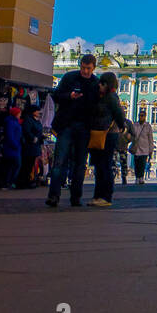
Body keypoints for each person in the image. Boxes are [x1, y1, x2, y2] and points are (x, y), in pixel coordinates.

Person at [46, 53, 100, 208]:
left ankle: (76, 197)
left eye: (88, 69)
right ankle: (54, 196)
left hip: (85, 128)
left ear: (93, 68)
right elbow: (56, 95)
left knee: (80, 164)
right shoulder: (69, 77)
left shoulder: (96, 83)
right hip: (67, 126)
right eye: (83, 68)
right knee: (59, 161)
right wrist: (69, 96)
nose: (85, 71)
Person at [87, 72, 127, 207]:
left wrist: (122, 127)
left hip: (108, 135)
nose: (100, 85)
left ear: (108, 85)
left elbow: (119, 114)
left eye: (102, 83)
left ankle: (106, 197)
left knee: (105, 166)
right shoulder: (102, 97)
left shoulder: (111, 97)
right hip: (100, 133)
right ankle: (98, 196)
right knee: (99, 166)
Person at [0, 95, 22, 189]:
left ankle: (8, 182)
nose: (20, 114)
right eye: (19, 113)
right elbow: (10, 135)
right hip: (12, 147)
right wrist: (15, 145)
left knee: (12, 166)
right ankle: (7, 182)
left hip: (14, 147)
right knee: (13, 165)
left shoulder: (15, 122)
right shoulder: (11, 122)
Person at [19, 102, 45, 188]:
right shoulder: (28, 120)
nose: (39, 112)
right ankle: (22, 182)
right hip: (29, 145)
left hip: (35, 146)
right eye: (37, 111)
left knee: (30, 164)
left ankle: (27, 180)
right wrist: (33, 137)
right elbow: (26, 131)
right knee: (26, 164)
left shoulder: (37, 120)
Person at [130, 108, 154, 185]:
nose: (141, 117)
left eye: (142, 116)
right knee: (137, 164)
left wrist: (151, 149)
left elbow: (150, 138)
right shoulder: (135, 125)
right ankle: (137, 177)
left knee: (143, 163)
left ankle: (141, 177)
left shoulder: (148, 126)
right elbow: (133, 135)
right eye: (140, 115)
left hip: (145, 148)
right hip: (137, 148)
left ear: (145, 116)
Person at [117, 117, 134, 185]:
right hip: (113, 145)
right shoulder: (113, 120)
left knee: (123, 162)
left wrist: (129, 139)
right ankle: (112, 176)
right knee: (112, 161)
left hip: (123, 145)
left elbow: (133, 134)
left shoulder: (128, 122)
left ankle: (124, 177)